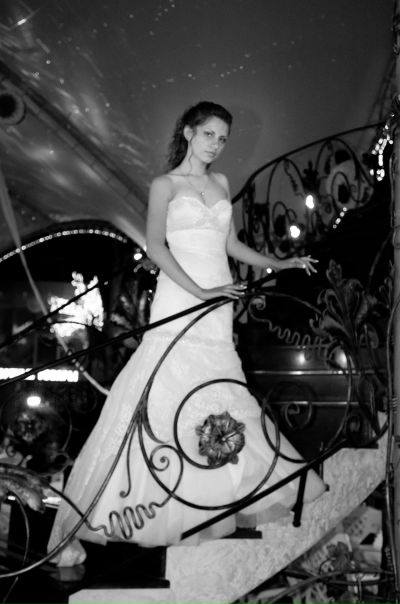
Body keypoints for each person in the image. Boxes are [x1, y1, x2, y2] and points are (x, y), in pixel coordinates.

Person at [47, 101, 325, 566]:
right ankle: (139, 505)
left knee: (219, 387)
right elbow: (156, 247)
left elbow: (230, 243)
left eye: (223, 138)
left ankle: (210, 496)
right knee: (164, 386)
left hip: (219, 299)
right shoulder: (165, 185)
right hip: (183, 294)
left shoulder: (222, 183)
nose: (216, 144)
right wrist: (200, 291)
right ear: (189, 132)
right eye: (209, 134)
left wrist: (279, 262)